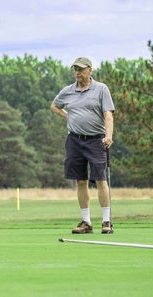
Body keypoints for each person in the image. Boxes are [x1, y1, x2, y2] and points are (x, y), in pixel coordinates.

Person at [50, 56, 116, 234]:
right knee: (80, 181)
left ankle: (106, 221)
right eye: (76, 69)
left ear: (90, 70)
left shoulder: (101, 89)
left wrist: (108, 135)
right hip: (74, 140)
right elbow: (54, 106)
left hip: (97, 140)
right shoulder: (68, 91)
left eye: (81, 69)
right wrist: (67, 116)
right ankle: (86, 222)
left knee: (101, 180)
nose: (78, 72)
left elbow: (108, 115)